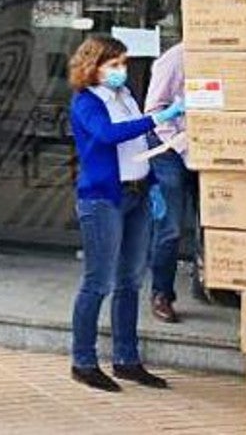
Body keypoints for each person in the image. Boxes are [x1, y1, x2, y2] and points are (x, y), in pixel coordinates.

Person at [67, 35, 184, 392]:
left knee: (130, 281)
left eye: (124, 63)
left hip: (136, 194)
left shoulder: (127, 96)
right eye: (113, 64)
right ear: (93, 66)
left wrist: (152, 187)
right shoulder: (86, 101)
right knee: (98, 281)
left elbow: (139, 146)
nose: (122, 70)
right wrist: (158, 118)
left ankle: (126, 358)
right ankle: (83, 360)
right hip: (104, 198)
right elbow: (107, 135)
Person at [142, 42, 197, 323]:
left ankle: (210, 283)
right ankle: (161, 293)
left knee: (210, 222)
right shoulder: (175, 59)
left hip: (206, 149)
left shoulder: (227, 55)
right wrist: (183, 148)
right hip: (169, 147)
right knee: (170, 225)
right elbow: (154, 111)